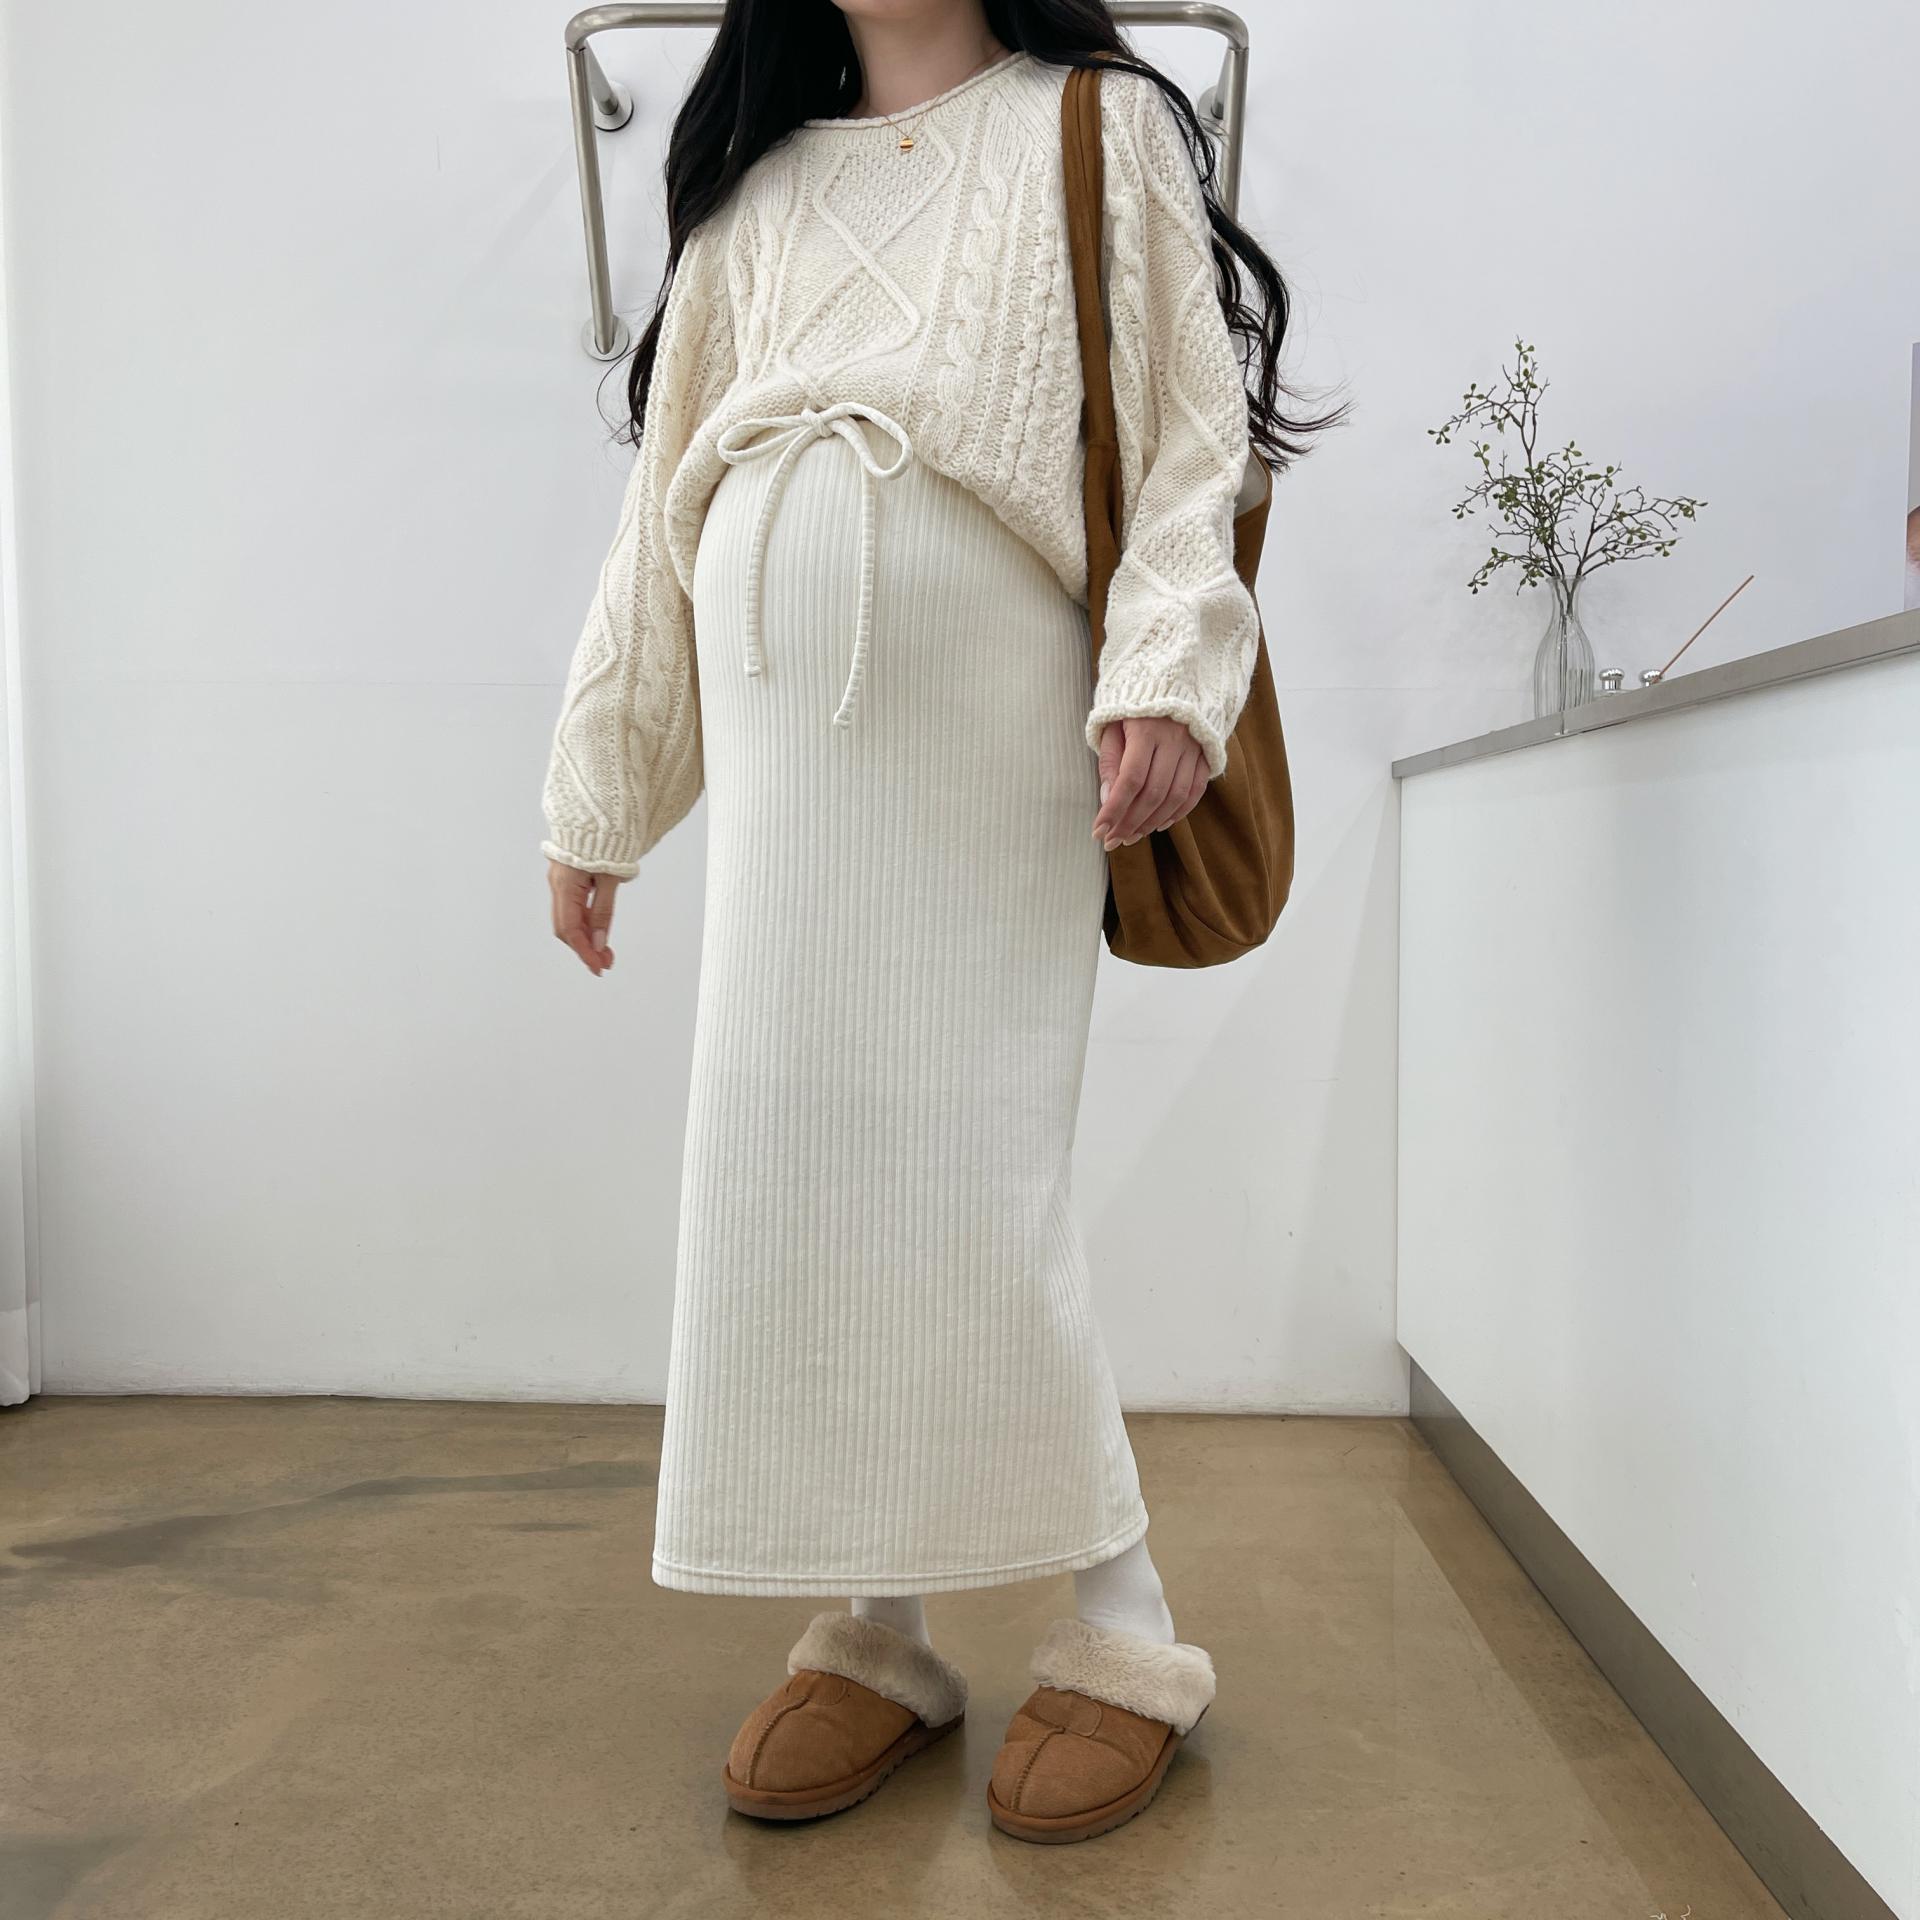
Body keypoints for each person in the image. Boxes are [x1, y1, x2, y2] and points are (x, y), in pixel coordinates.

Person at [540, 0, 1330, 1844]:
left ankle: (1126, 1626)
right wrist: (599, 791)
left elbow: (1192, 434)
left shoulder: (1095, 125)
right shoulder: (750, 196)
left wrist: (1167, 668)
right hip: (779, 750)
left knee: (974, 1165)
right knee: (799, 1157)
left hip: (991, 723)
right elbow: (659, 518)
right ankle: (878, 1627)